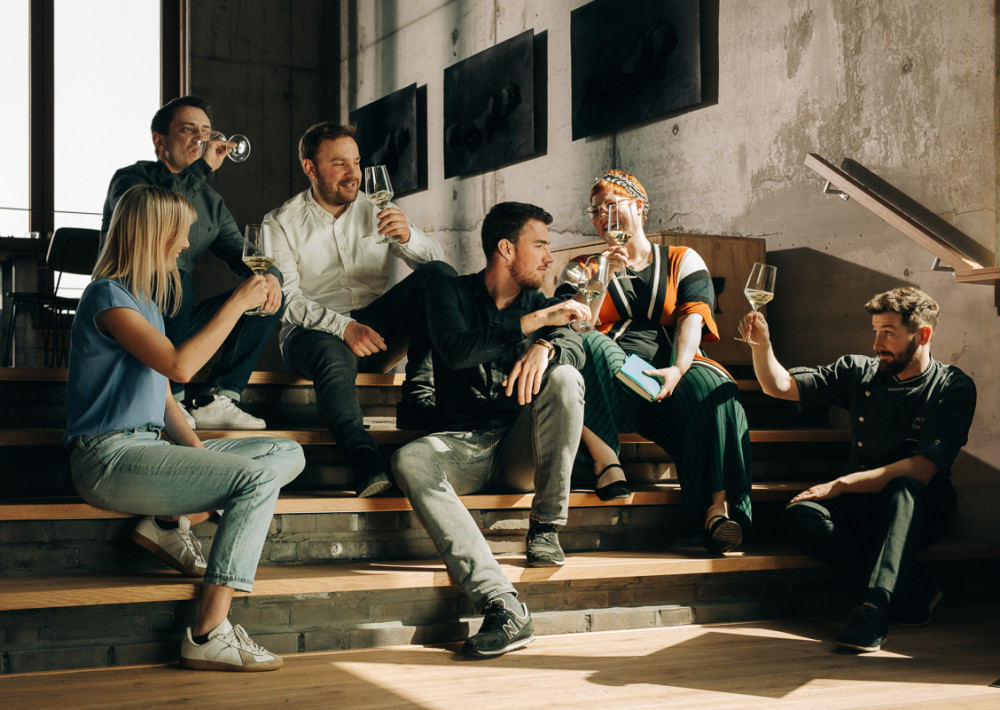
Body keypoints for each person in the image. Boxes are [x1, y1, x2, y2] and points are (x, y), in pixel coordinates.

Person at [69, 185, 305, 670]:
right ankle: (208, 631)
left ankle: (170, 520)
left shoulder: (147, 302)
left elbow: (161, 395)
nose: (184, 245)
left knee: (287, 454)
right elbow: (179, 368)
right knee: (257, 480)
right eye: (179, 234)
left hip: (150, 452)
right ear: (153, 234)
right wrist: (236, 303)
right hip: (108, 458)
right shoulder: (107, 297)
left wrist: (198, 453)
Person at [390, 202, 590, 657]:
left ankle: (545, 525)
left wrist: (546, 348)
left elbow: (576, 347)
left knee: (565, 377)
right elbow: (458, 351)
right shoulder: (448, 293)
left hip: (520, 446)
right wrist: (535, 325)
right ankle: (502, 604)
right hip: (462, 444)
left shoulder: (545, 303)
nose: (548, 257)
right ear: (505, 248)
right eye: (539, 245)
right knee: (409, 459)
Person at [740, 287, 976, 652]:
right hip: (858, 505)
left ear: (923, 334)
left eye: (888, 333)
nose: (877, 343)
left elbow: (924, 468)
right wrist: (761, 346)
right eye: (875, 331)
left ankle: (873, 610)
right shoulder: (858, 371)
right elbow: (780, 386)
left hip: (918, 509)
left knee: (904, 488)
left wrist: (841, 484)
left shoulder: (953, 387)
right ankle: (913, 587)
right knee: (797, 515)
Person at [564, 169, 753, 553]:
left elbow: (692, 318)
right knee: (594, 346)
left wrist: (679, 369)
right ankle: (607, 463)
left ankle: (718, 512)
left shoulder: (682, 258)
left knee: (717, 388)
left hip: (668, 370)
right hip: (612, 380)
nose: (604, 218)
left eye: (611, 207)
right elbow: (575, 327)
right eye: (596, 212)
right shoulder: (583, 266)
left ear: (639, 207)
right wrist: (602, 278)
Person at [267, 122, 454, 498]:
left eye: (356, 162)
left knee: (437, 275)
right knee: (332, 354)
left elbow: (439, 272)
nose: (353, 174)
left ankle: (418, 396)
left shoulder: (378, 207)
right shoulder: (281, 222)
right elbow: (287, 300)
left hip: (375, 332)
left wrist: (410, 238)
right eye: (339, 164)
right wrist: (342, 328)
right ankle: (363, 459)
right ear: (310, 168)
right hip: (312, 334)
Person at [100, 95, 282, 431]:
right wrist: (202, 168)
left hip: (178, 322)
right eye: (188, 130)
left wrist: (269, 277)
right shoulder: (131, 180)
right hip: (132, 316)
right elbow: (156, 220)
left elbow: (243, 254)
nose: (200, 139)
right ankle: (174, 397)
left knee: (267, 286)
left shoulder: (210, 202)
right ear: (160, 140)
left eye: (206, 131)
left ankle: (218, 396)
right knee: (175, 275)